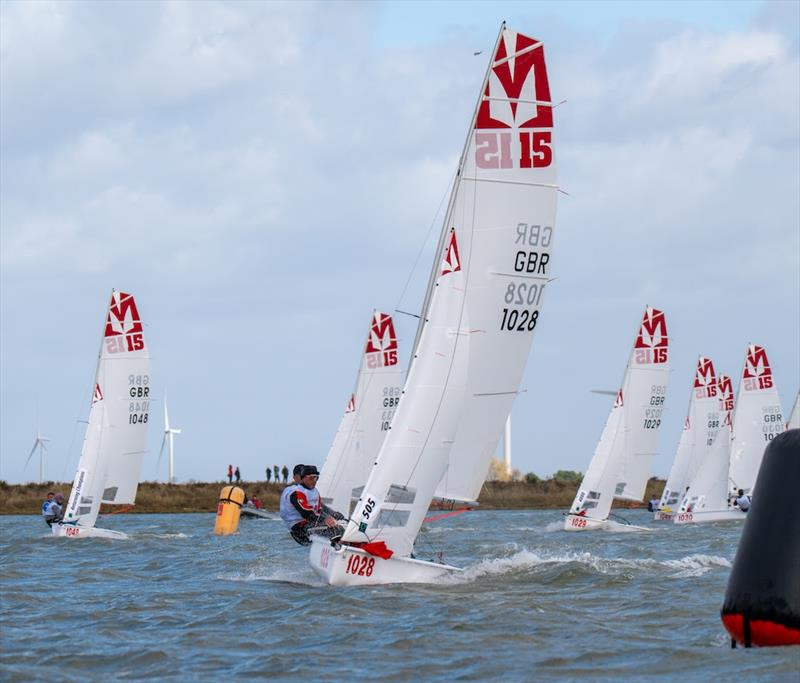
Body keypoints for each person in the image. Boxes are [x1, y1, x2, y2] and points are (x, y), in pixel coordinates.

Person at [280, 465, 345, 546]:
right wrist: (325, 518)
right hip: (300, 530)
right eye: (312, 478)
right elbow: (306, 513)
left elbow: (321, 508)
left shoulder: (313, 491)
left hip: (311, 525)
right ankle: (339, 549)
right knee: (335, 530)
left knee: (344, 526)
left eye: (316, 478)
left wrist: (335, 514)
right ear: (302, 478)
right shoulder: (295, 492)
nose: (314, 481)